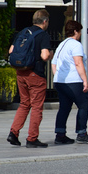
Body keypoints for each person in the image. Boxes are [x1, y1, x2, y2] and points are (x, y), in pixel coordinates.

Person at [7, 10, 53, 148]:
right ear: (45, 21)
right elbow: (44, 56)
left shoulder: (23, 32)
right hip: (36, 74)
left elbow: (11, 51)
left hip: (21, 72)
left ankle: (13, 133)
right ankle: (32, 138)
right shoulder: (43, 35)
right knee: (37, 107)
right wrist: (51, 54)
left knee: (24, 104)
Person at [51, 20, 88, 144]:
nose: (80, 34)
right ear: (76, 31)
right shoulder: (76, 45)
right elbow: (78, 63)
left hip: (60, 82)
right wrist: (85, 81)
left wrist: (58, 76)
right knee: (84, 105)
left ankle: (60, 134)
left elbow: (53, 63)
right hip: (74, 81)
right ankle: (81, 133)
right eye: (80, 31)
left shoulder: (62, 45)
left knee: (64, 107)